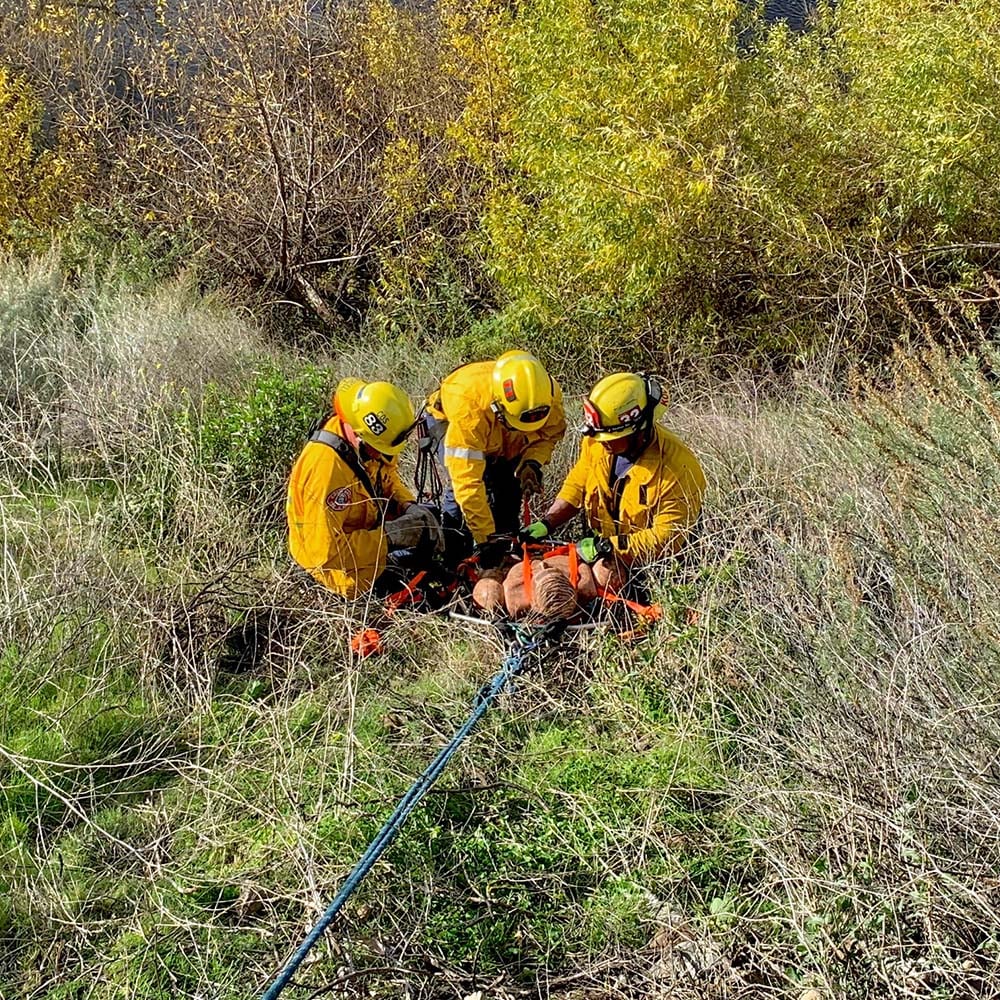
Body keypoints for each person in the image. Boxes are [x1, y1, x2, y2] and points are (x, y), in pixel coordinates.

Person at [520, 372, 706, 591]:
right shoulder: (597, 443)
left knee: (604, 578)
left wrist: (608, 547)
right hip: (601, 547)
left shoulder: (678, 468)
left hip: (654, 567)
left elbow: (667, 538)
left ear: (637, 430)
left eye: (607, 436)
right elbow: (578, 484)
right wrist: (548, 523)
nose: (601, 442)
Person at [287, 378, 443, 599]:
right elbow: (326, 554)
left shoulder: (378, 439)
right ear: (359, 437)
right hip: (340, 572)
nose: (382, 455)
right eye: (377, 450)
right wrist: (389, 537)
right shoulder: (327, 470)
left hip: (368, 533)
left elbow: (385, 476)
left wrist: (407, 506)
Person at [419, 350, 567, 567]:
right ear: (499, 409)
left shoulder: (544, 394)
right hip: (451, 422)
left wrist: (531, 461)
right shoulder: (470, 408)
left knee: (508, 490)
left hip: (499, 433)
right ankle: (452, 555)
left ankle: (508, 551)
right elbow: (467, 485)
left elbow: (549, 434)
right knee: (459, 499)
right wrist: (486, 539)